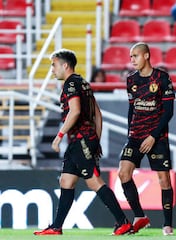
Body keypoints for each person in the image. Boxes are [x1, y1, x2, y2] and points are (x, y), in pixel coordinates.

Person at [33, 49, 132, 236]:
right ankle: (56, 227)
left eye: (53, 65)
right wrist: (97, 139)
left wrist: (59, 135)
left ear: (65, 65)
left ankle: (123, 222)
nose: (52, 70)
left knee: (94, 182)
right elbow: (98, 113)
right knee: (66, 180)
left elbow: (75, 111)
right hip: (84, 140)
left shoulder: (70, 84)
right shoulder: (83, 83)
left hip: (81, 140)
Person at [118, 42, 176, 236]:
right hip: (135, 135)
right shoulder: (131, 80)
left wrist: (153, 136)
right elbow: (131, 108)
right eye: (130, 56)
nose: (132, 60)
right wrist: (129, 132)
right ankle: (139, 216)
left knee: (164, 179)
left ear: (146, 56)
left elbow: (168, 112)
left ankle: (167, 225)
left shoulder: (162, 78)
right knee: (123, 173)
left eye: (135, 56)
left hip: (157, 136)